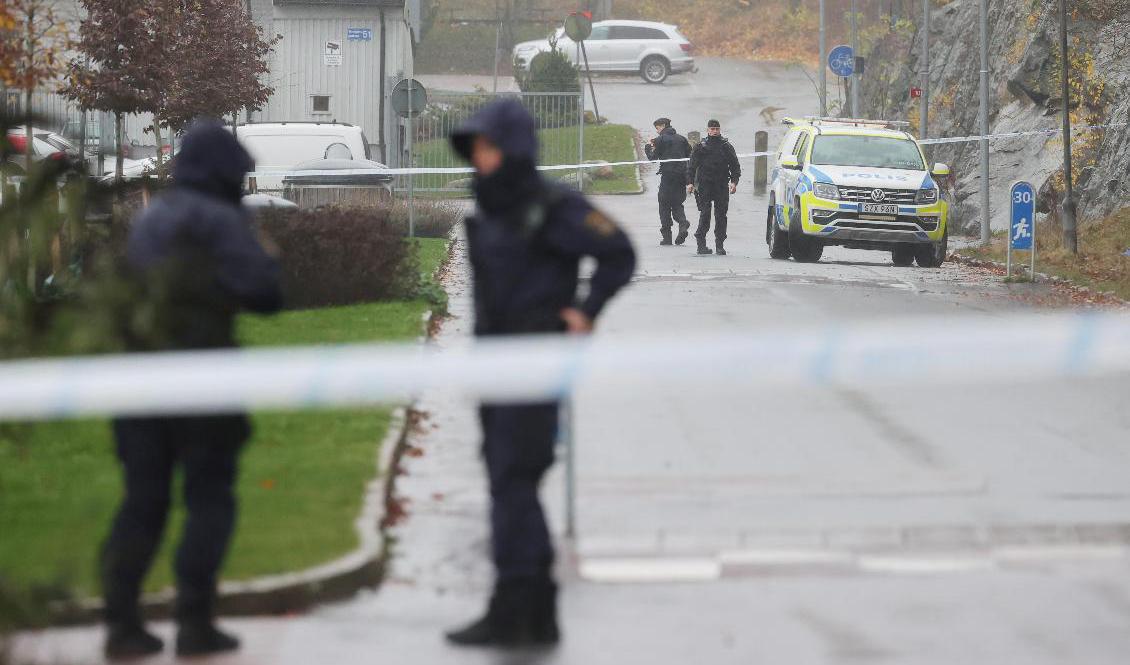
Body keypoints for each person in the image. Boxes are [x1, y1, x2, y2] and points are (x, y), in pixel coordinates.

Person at [446, 99, 636, 647]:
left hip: (535, 363)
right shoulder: (493, 207)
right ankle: (532, 611)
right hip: (495, 362)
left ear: (511, 149)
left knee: (514, 478)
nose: (478, 159)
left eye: (486, 147)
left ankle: (517, 606)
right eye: (474, 149)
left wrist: (586, 309)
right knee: (509, 479)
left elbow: (618, 252)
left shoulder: (554, 205)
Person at [100, 121, 282, 660]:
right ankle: (195, 623)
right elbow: (266, 293)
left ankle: (122, 624)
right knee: (209, 499)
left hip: (138, 381)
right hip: (204, 380)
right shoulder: (225, 221)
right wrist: (264, 254)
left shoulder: (151, 217)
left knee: (142, 503)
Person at [686, 119, 741, 256]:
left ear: (720, 129)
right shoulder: (700, 146)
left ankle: (720, 245)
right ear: (708, 130)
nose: (715, 131)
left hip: (721, 185)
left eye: (717, 129)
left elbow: (735, 165)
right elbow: (691, 166)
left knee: (721, 215)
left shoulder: (726, 146)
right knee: (705, 213)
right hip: (705, 184)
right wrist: (690, 182)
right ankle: (701, 244)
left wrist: (734, 182)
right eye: (712, 129)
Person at [643, 117, 691, 246]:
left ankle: (667, 237)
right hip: (681, 176)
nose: (657, 131)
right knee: (677, 203)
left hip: (668, 176)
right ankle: (682, 224)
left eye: (657, 128)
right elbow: (690, 156)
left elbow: (653, 158)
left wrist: (648, 146)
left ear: (663, 126)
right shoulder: (682, 139)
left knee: (663, 203)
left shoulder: (660, 139)